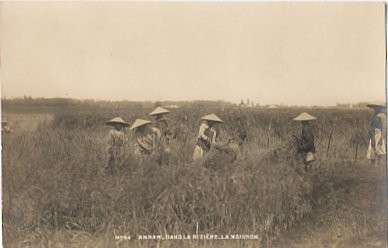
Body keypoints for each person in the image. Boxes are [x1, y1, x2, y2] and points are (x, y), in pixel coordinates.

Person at [366, 101, 386, 166]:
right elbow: (372, 126)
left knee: (379, 149)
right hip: (373, 133)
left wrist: (382, 137)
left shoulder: (382, 116)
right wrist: (370, 134)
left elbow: (384, 126)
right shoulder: (375, 115)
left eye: (377, 108)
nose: (376, 109)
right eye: (375, 108)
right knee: (372, 148)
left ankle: (378, 164)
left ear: (380, 108)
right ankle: (373, 164)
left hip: (379, 134)